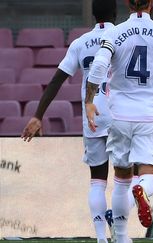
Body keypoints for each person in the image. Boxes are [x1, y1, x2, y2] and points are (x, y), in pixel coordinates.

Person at [85, 0, 153, 242]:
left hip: (120, 114)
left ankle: (121, 237)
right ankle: (142, 188)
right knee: (150, 173)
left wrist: (90, 100)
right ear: (151, 3)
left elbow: (99, 65)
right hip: (150, 115)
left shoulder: (114, 32)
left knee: (121, 178)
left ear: (127, 4)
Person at [21, 1, 117, 242]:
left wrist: (37, 115)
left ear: (93, 14)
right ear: (116, 12)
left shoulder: (80, 43)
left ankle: (100, 238)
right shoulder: (121, 35)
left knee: (97, 180)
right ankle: (117, 219)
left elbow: (56, 81)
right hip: (120, 114)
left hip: (93, 114)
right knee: (130, 177)